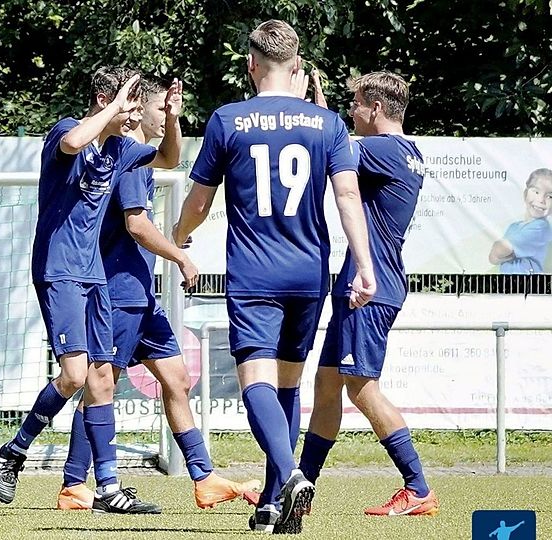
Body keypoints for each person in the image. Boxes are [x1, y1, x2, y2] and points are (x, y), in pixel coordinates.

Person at [171, 20, 375, 533]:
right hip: (309, 273)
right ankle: (269, 505)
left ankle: (288, 476)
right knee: (288, 384)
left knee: (255, 384)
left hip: (255, 275)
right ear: (299, 67)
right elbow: (348, 197)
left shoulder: (227, 119)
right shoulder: (326, 123)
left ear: (250, 65)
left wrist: (179, 232)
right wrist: (365, 265)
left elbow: (199, 200)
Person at [56, 77, 260, 512]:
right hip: (115, 292)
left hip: (140, 295)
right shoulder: (126, 161)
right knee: (100, 384)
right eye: (156, 108)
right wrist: (180, 257)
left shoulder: (139, 158)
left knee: (176, 379)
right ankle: (75, 484)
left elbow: (172, 157)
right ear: (137, 111)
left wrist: (173, 116)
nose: (157, 115)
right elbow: (137, 225)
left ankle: (203, 478)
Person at [0, 66, 180, 514]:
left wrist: (170, 118)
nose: (134, 116)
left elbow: (168, 159)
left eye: (135, 106)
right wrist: (116, 108)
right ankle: (14, 451)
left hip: (94, 274)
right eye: (129, 105)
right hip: (59, 271)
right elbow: (74, 142)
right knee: (75, 374)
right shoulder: (65, 132)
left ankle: (108, 488)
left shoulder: (118, 147)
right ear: (102, 98)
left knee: (100, 380)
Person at [296, 70, 440, 518]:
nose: (350, 111)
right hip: (363, 283)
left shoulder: (384, 149)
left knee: (361, 386)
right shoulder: (404, 150)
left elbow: (328, 150)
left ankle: (417, 487)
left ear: (375, 109)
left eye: (355, 103)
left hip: (368, 287)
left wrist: (305, 113)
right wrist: (322, 114)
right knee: (326, 385)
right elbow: (336, 147)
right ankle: (302, 485)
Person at [489, 168, 552, 274]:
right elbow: (493, 258)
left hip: (527, 286)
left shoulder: (540, 227)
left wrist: (505, 254)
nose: (541, 200)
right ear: (525, 194)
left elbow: (498, 251)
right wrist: (504, 253)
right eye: (536, 192)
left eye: (550, 196)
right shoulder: (514, 226)